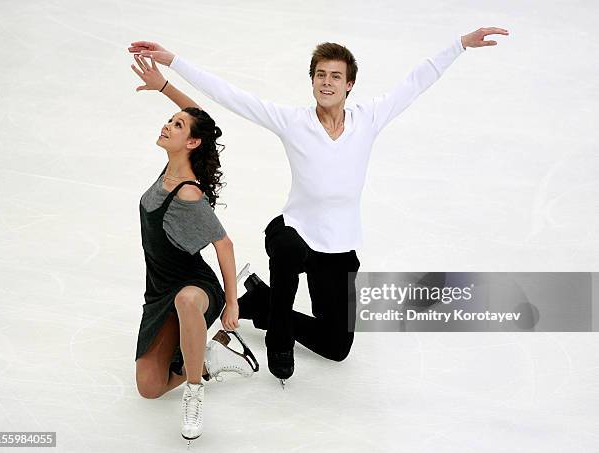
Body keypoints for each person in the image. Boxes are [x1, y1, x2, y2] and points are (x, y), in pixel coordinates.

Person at [128, 27, 509, 385]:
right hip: (293, 232)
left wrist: (459, 44)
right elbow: (232, 95)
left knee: (336, 347)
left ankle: (263, 304)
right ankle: (279, 338)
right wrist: (172, 62)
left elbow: (415, 82)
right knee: (288, 246)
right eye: (320, 75)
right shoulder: (293, 122)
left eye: (335, 76)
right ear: (312, 80)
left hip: (338, 245)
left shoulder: (369, 119)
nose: (327, 82)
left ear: (349, 84)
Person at [131, 55, 257, 442]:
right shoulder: (172, 167)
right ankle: (206, 360)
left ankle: (194, 391)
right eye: (171, 120)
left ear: (192, 142)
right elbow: (202, 118)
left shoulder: (188, 192)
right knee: (149, 387)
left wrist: (232, 304)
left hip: (196, 290)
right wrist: (163, 87)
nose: (168, 124)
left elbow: (224, 244)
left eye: (177, 125)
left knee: (187, 300)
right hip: (159, 293)